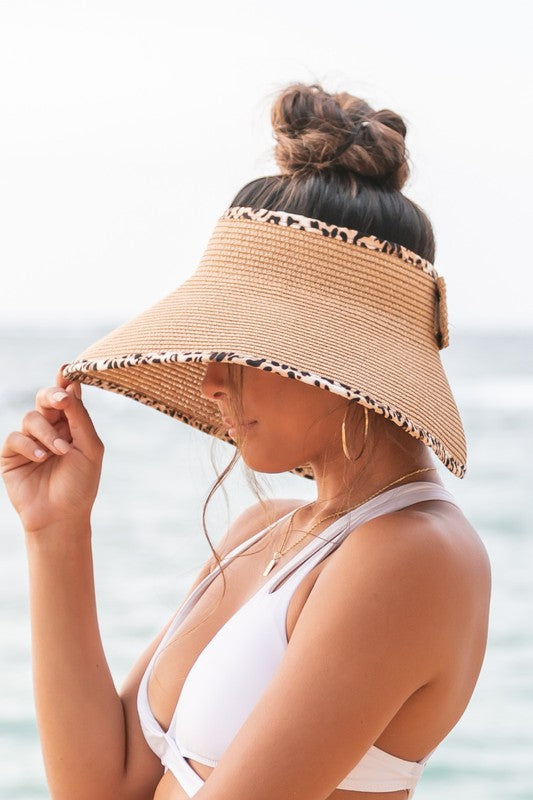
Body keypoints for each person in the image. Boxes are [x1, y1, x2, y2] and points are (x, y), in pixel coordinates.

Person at [1, 81, 491, 800]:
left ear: (338, 347)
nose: (208, 382)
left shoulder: (413, 555)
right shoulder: (259, 533)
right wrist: (55, 532)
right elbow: (100, 789)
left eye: (239, 345)